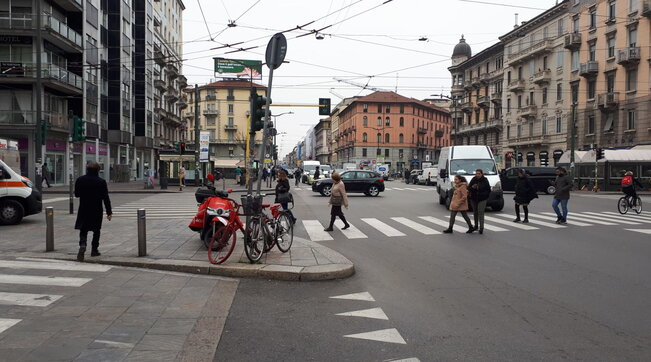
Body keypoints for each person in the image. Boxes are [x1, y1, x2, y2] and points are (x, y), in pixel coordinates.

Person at [74, 162, 112, 262]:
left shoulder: (80, 180)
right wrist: (109, 212)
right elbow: (105, 198)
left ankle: (82, 244)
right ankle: (94, 250)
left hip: (83, 208)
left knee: (83, 229)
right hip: (96, 209)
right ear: (98, 171)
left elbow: (77, 194)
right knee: (96, 230)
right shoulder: (101, 181)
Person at [468, 169, 491, 234]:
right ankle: (476, 226)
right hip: (474, 198)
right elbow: (469, 188)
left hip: (482, 198)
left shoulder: (485, 180)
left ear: (482, 174)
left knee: (481, 212)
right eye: (476, 173)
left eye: (479, 174)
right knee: (475, 212)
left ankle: (481, 227)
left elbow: (488, 190)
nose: (477, 175)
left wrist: (479, 188)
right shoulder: (474, 179)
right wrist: (472, 187)